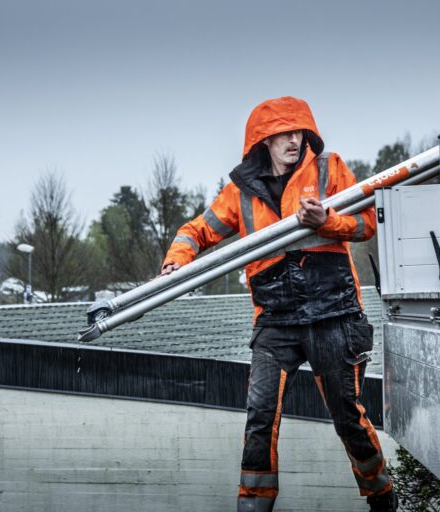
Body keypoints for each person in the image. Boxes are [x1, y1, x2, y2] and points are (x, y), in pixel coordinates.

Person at [160, 96, 397, 512]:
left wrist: (328, 222)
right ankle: (253, 505)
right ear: (263, 141)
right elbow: (195, 231)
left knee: (348, 418)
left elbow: (368, 223)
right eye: (283, 134)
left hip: (334, 315)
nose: (293, 140)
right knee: (260, 417)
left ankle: (383, 497)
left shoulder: (330, 169)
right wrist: (175, 261)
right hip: (276, 320)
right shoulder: (239, 193)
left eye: (298, 132)